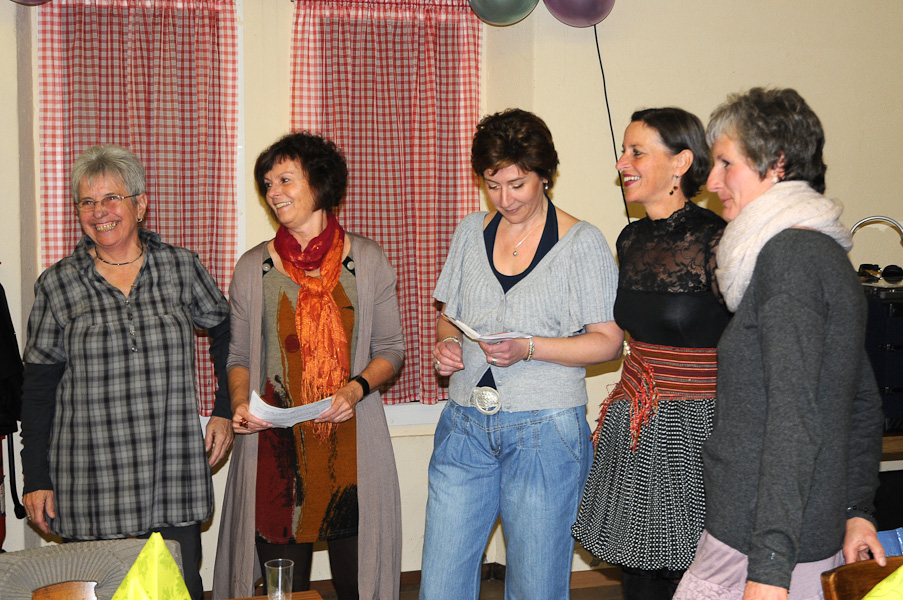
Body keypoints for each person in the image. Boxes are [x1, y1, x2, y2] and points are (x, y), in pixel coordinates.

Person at [673, 87, 885, 600]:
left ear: (777, 164)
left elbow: (793, 417)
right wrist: (857, 510)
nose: (713, 181)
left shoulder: (788, 259)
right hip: (790, 533)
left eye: (726, 163)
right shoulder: (822, 251)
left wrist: (770, 569)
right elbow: (859, 401)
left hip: (761, 546)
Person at [420, 108, 623, 600]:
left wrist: (529, 348)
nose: (505, 199)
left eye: (517, 184)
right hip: (464, 425)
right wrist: (448, 344)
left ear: (544, 175)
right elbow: (449, 317)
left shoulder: (583, 243)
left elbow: (608, 341)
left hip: (545, 431)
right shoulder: (470, 232)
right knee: (440, 583)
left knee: (535, 587)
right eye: (492, 185)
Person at [20, 144, 232, 600]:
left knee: (177, 591)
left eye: (112, 198)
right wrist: (35, 477)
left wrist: (224, 409)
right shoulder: (58, 283)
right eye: (87, 202)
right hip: (89, 479)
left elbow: (228, 333)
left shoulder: (180, 267)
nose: (100, 212)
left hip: (171, 472)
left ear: (140, 204)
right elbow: (37, 387)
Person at [212, 132, 405, 600]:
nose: (273, 192)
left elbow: (391, 349)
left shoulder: (368, 260)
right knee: (285, 590)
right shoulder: (252, 267)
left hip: (351, 447)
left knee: (358, 585)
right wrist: (240, 403)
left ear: (319, 183)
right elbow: (238, 356)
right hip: (275, 455)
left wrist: (355, 390)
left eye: (285, 179)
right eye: (267, 183)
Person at [572, 107, 730, 600]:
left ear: (681, 162)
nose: (622, 163)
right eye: (624, 151)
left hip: (700, 427)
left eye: (637, 152)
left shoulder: (720, 239)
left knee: (697, 571)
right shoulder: (631, 238)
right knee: (640, 575)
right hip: (638, 420)